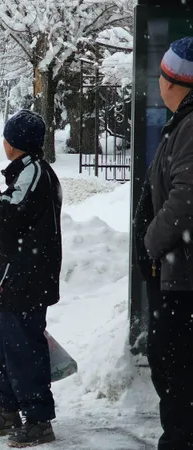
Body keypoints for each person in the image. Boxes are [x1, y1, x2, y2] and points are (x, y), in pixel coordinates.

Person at [0, 109, 62, 448]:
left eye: (6, 137)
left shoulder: (34, 173)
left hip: (26, 280)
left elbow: (3, 213)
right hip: (17, 280)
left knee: (23, 351)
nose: (3, 142)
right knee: (3, 349)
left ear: (16, 143)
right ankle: (7, 409)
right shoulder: (27, 172)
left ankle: (38, 419)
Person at [139, 36, 193, 450]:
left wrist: (152, 239)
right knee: (171, 366)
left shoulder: (190, 125)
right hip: (177, 273)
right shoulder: (183, 123)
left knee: (176, 369)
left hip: (184, 277)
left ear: (172, 81)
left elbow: (184, 197)